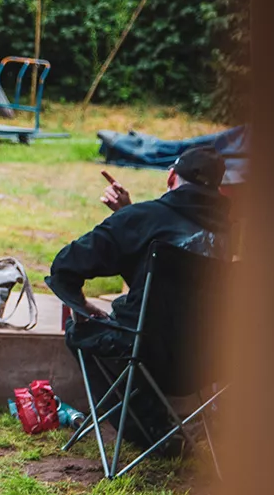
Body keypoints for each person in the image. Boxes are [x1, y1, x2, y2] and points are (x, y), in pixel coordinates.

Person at [47, 146, 230, 448]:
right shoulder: (231, 233)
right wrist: (128, 215)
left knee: (82, 332)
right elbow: (169, 271)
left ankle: (150, 435)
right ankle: (164, 429)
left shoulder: (144, 219)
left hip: (146, 353)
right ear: (219, 189)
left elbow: (65, 267)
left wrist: (84, 307)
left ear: (171, 177)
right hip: (208, 362)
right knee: (144, 325)